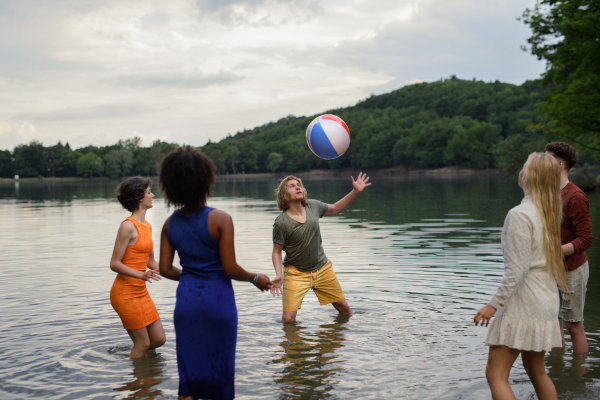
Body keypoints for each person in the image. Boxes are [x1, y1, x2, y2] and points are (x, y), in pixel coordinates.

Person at [157, 146, 272, 400]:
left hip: (186, 304)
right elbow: (230, 269)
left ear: (172, 185)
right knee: (220, 375)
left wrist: (190, 276)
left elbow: (165, 269)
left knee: (187, 380)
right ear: (205, 181)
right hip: (217, 303)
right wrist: (255, 278)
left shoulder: (169, 224)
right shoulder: (220, 219)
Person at [474, 153, 567, 400]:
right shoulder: (548, 212)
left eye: (524, 167)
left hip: (525, 301)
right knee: (537, 372)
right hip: (545, 299)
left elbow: (517, 270)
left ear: (530, 177)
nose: (520, 171)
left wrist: (493, 305)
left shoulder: (520, 214)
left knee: (496, 374)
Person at [271, 173, 371, 323]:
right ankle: (292, 346)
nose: (298, 186)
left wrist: (355, 192)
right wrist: (279, 274)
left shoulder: (312, 206)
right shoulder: (281, 222)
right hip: (296, 273)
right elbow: (276, 252)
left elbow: (336, 208)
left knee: (345, 309)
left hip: (322, 268)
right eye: (292, 186)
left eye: (298, 184)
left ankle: (344, 336)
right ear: (284, 194)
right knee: (287, 319)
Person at [110, 176, 166, 359]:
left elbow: (151, 262)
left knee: (158, 340)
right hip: (124, 293)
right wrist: (141, 275)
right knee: (143, 343)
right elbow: (114, 264)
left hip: (141, 292)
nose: (153, 195)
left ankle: (136, 364)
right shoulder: (127, 226)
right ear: (139, 198)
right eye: (149, 192)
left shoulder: (147, 226)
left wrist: (179, 272)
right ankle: (137, 385)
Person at [545, 141, 592, 353]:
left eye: (547, 158)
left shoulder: (576, 196)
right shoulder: (545, 192)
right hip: (549, 268)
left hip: (572, 268)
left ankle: (578, 381)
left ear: (560, 164)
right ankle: (558, 376)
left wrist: (556, 252)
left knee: (574, 327)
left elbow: (585, 239)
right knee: (553, 325)